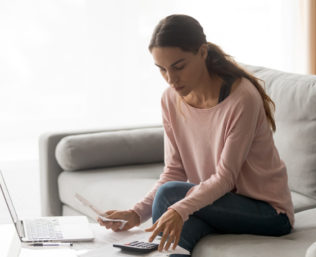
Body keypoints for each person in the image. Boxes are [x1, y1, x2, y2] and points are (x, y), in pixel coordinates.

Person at [98, 14, 294, 255]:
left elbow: (225, 178)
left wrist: (179, 208)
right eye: (162, 70)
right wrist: (136, 213)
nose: (171, 79)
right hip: (214, 204)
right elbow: (174, 171)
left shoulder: (241, 98)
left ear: (202, 52)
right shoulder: (170, 99)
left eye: (179, 67)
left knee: (171, 196)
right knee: (175, 242)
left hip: (268, 213)